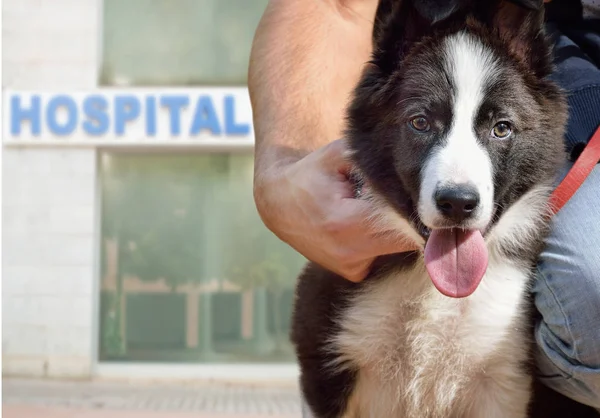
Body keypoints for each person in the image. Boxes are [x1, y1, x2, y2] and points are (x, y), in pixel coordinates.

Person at [248, 0, 600, 411]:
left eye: (500, 127)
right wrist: (283, 170)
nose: (458, 184)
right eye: (421, 123)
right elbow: (334, 6)